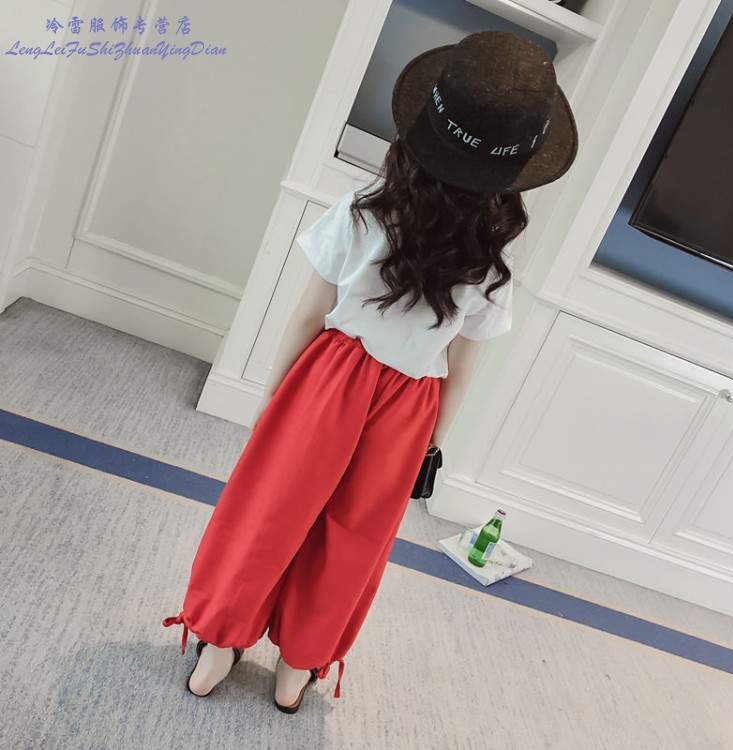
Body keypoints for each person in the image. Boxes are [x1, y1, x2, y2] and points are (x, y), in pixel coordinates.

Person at [162, 29, 577, 712]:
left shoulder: (362, 213)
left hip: (330, 378)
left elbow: (308, 314)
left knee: (269, 511)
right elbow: (462, 369)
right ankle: (299, 664)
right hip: (411, 404)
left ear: (419, 135)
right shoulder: (491, 261)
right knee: (352, 539)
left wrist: (273, 394)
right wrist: (432, 442)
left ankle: (221, 639)